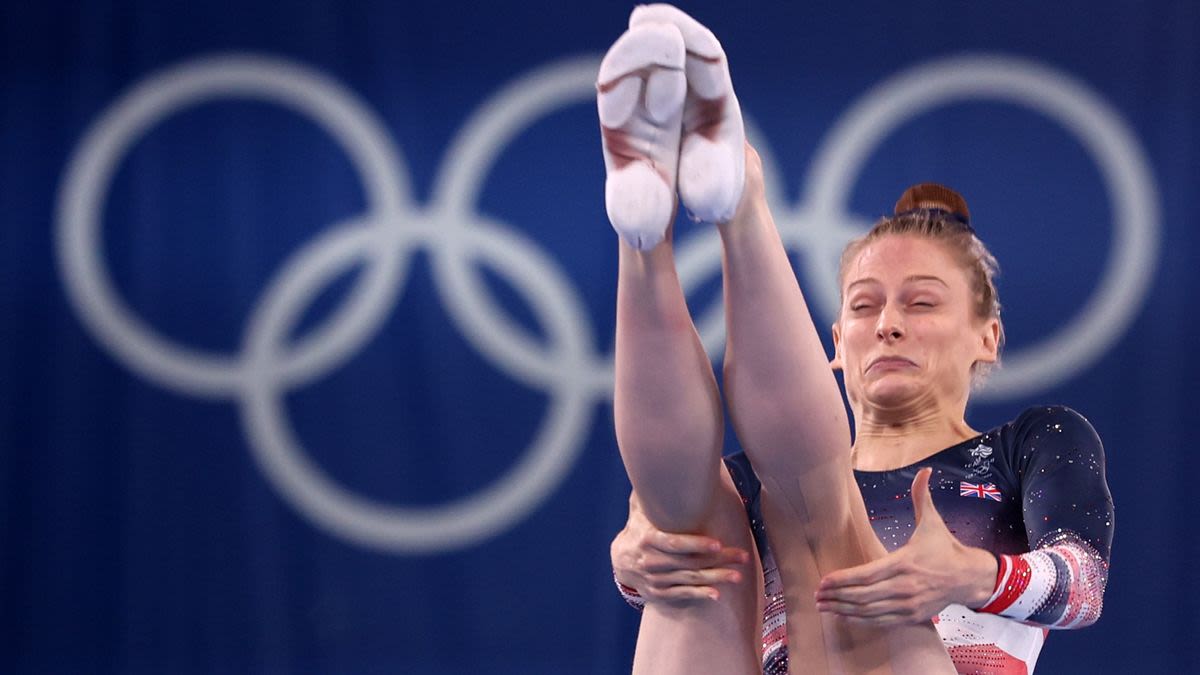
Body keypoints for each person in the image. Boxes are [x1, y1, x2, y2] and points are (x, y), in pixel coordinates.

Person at [599, 5, 1114, 675]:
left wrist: (972, 574)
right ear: (835, 341)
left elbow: (1083, 585)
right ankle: (642, 226)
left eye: (922, 302)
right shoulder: (742, 480)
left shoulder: (1026, 445)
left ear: (989, 335)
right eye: (865, 306)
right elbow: (656, 572)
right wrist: (639, 556)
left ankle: (739, 200)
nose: (889, 323)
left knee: (824, 519)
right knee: (691, 532)